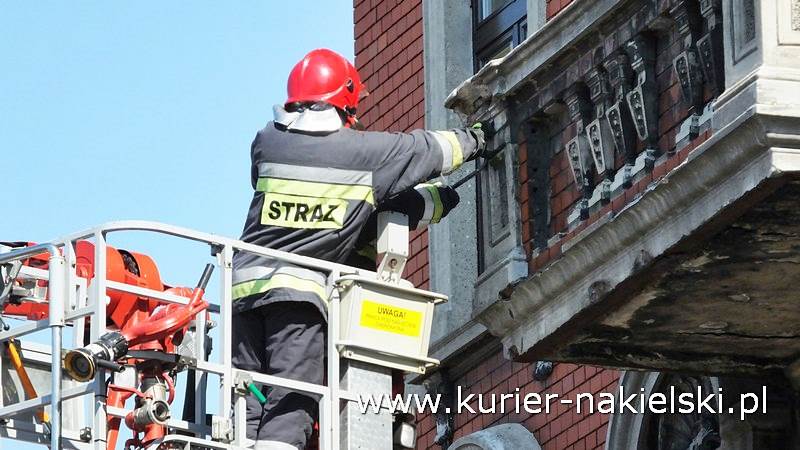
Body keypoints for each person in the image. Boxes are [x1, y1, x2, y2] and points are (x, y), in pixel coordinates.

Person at [230, 48, 491, 450]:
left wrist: (430, 201)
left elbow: (357, 207)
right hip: (297, 300)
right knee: (292, 398)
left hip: (241, 292)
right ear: (345, 99)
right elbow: (428, 151)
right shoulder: (363, 154)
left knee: (249, 395)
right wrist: (475, 139)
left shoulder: (267, 143)